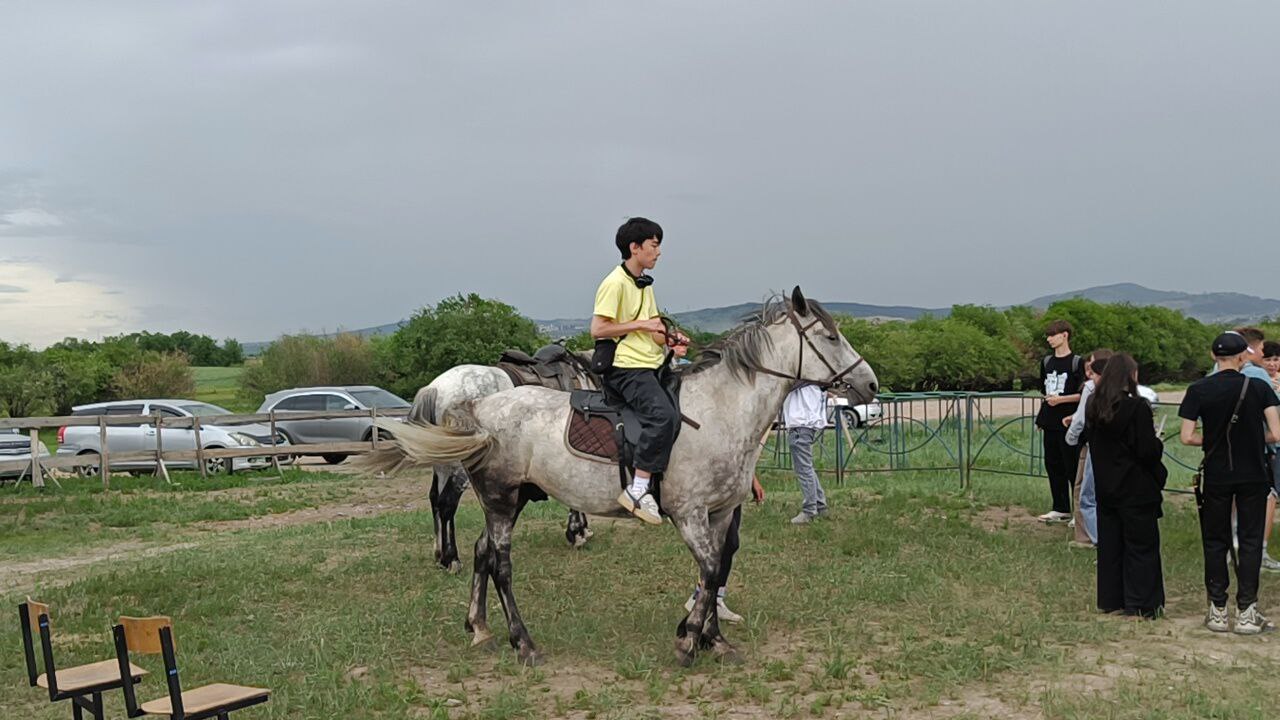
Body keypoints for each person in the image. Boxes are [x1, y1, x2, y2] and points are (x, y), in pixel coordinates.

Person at [1179, 332, 1280, 634]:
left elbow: (1186, 436)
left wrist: (1210, 441)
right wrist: (1252, 439)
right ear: (1242, 357)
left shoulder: (1198, 389)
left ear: (1213, 356)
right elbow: (1276, 433)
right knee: (1249, 541)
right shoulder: (1260, 387)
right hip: (1253, 473)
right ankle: (1247, 611)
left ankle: (1217, 609)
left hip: (1217, 473)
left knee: (1215, 541)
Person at [591, 217, 688, 525]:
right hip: (625, 368)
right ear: (635, 248)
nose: (658, 253)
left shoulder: (644, 284)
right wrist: (640, 324)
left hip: (648, 363)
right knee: (663, 416)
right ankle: (637, 489)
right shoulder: (614, 283)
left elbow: (654, 331)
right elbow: (598, 329)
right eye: (654, 246)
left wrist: (671, 340)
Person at [1087, 353, 1167, 618]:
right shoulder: (1137, 408)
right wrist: (1158, 442)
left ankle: (1112, 598)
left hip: (1106, 485)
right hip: (1135, 487)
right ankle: (1142, 602)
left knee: (1111, 546)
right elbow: (1146, 451)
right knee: (1141, 547)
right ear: (1131, 376)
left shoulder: (1093, 405)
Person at [684, 476, 765, 623]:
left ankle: (714, 597)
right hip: (717, 484)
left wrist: (752, 479)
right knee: (727, 543)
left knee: (728, 545)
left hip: (734, 483)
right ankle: (702, 597)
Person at [1037, 320, 1085, 523]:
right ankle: (1060, 507)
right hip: (1050, 420)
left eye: (1052, 335)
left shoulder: (1078, 362)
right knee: (1053, 464)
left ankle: (1080, 510)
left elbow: (1084, 393)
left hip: (1069, 422)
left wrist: (1062, 400)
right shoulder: (1047, 362)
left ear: (1064, 335)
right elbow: (1044, 389)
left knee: (1072, 466)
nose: (1049, 339)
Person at [1065, 349, 1114, 548]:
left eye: (1092, 369)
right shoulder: (1126, 392)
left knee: (1085, 492)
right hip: (1113, 450)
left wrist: (1070, 438)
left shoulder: (1091, 389)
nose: (1088, 373)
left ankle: (1091, 538)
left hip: (1092, 445)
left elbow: (1081, 418)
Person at [784, 383, 829, 524]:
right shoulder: (814, 381)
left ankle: (809, 510)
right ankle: (820, 505)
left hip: (800, 426)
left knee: (804, 470)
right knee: (807, 468)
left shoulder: (802, 380)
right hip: (806, 426)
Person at [1261, 340, 1280, 571]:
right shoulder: (1259, 383)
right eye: (1268, 359)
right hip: (1268, 446)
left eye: (1276, 359)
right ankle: (1261, 549)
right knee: (1269, 495)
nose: (1273, 364)